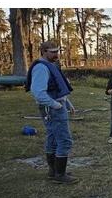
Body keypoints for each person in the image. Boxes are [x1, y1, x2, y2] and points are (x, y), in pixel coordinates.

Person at [27, 41, 77, 183]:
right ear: (43, 51)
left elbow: (57, 89)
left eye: (57, 51)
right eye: (53, 52)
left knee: (53, 138)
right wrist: (56, 105)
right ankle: (60, 175)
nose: (56, 54)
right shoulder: (41, 68)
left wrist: (67, 103)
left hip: (56, 106)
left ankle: (54, 171)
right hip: (52, 109)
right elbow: (38, 93)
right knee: (65, 140)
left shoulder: (50, 65)